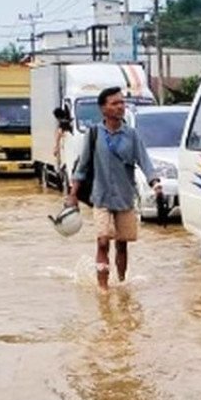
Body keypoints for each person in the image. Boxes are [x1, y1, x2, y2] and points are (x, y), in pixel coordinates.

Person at [67, 86, 162, 290]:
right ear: (104, 109)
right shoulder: (94, 134)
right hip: (100, 197)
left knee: (122, 243)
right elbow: (82, 167)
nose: (120, 107)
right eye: (114, 103)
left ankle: (120, 282)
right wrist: (72, 194)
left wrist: (155, 182)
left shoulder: (131, 135)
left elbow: (144, 160)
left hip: (125, 197)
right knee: (102, 241)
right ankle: (103, 289)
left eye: (121, 102)